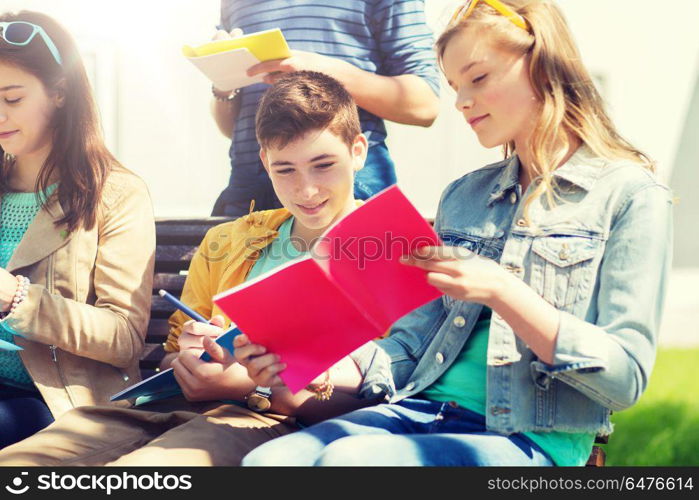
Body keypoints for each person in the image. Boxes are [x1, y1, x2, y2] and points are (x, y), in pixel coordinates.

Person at [239, 0, 674, 466]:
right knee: (267, 464)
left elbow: (625, 377)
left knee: (348, 463)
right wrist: (304, 361)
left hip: (529, 439)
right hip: (420, 411)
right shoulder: (465, 196)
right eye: (454, 86)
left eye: (478, 78)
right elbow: (408, 347)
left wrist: (503, 290)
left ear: (542, 63)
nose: (462, 101)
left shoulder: (631, 195)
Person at [0, 71, 383, 465]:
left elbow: (388, 401)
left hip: (268, 422)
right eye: (286, 169)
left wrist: (245, 387)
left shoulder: (391, 249)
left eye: (323, 165)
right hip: (168, 408)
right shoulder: (228, 241)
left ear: (357, 151)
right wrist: (190, 359)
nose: (306, 190)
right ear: (265, 161)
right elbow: (170, 360)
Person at [0, 11, 155, 448]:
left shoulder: (115, 193)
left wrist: (17, 299)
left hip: (56, 403)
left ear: (60, 93)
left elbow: (123, 338)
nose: (0, 115)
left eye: (12, 99)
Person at [210, 0, 441, 217]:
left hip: (349, 183)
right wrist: (223, 86)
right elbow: (231, 129)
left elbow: (425, 103)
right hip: (248, 187)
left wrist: (322, 72)